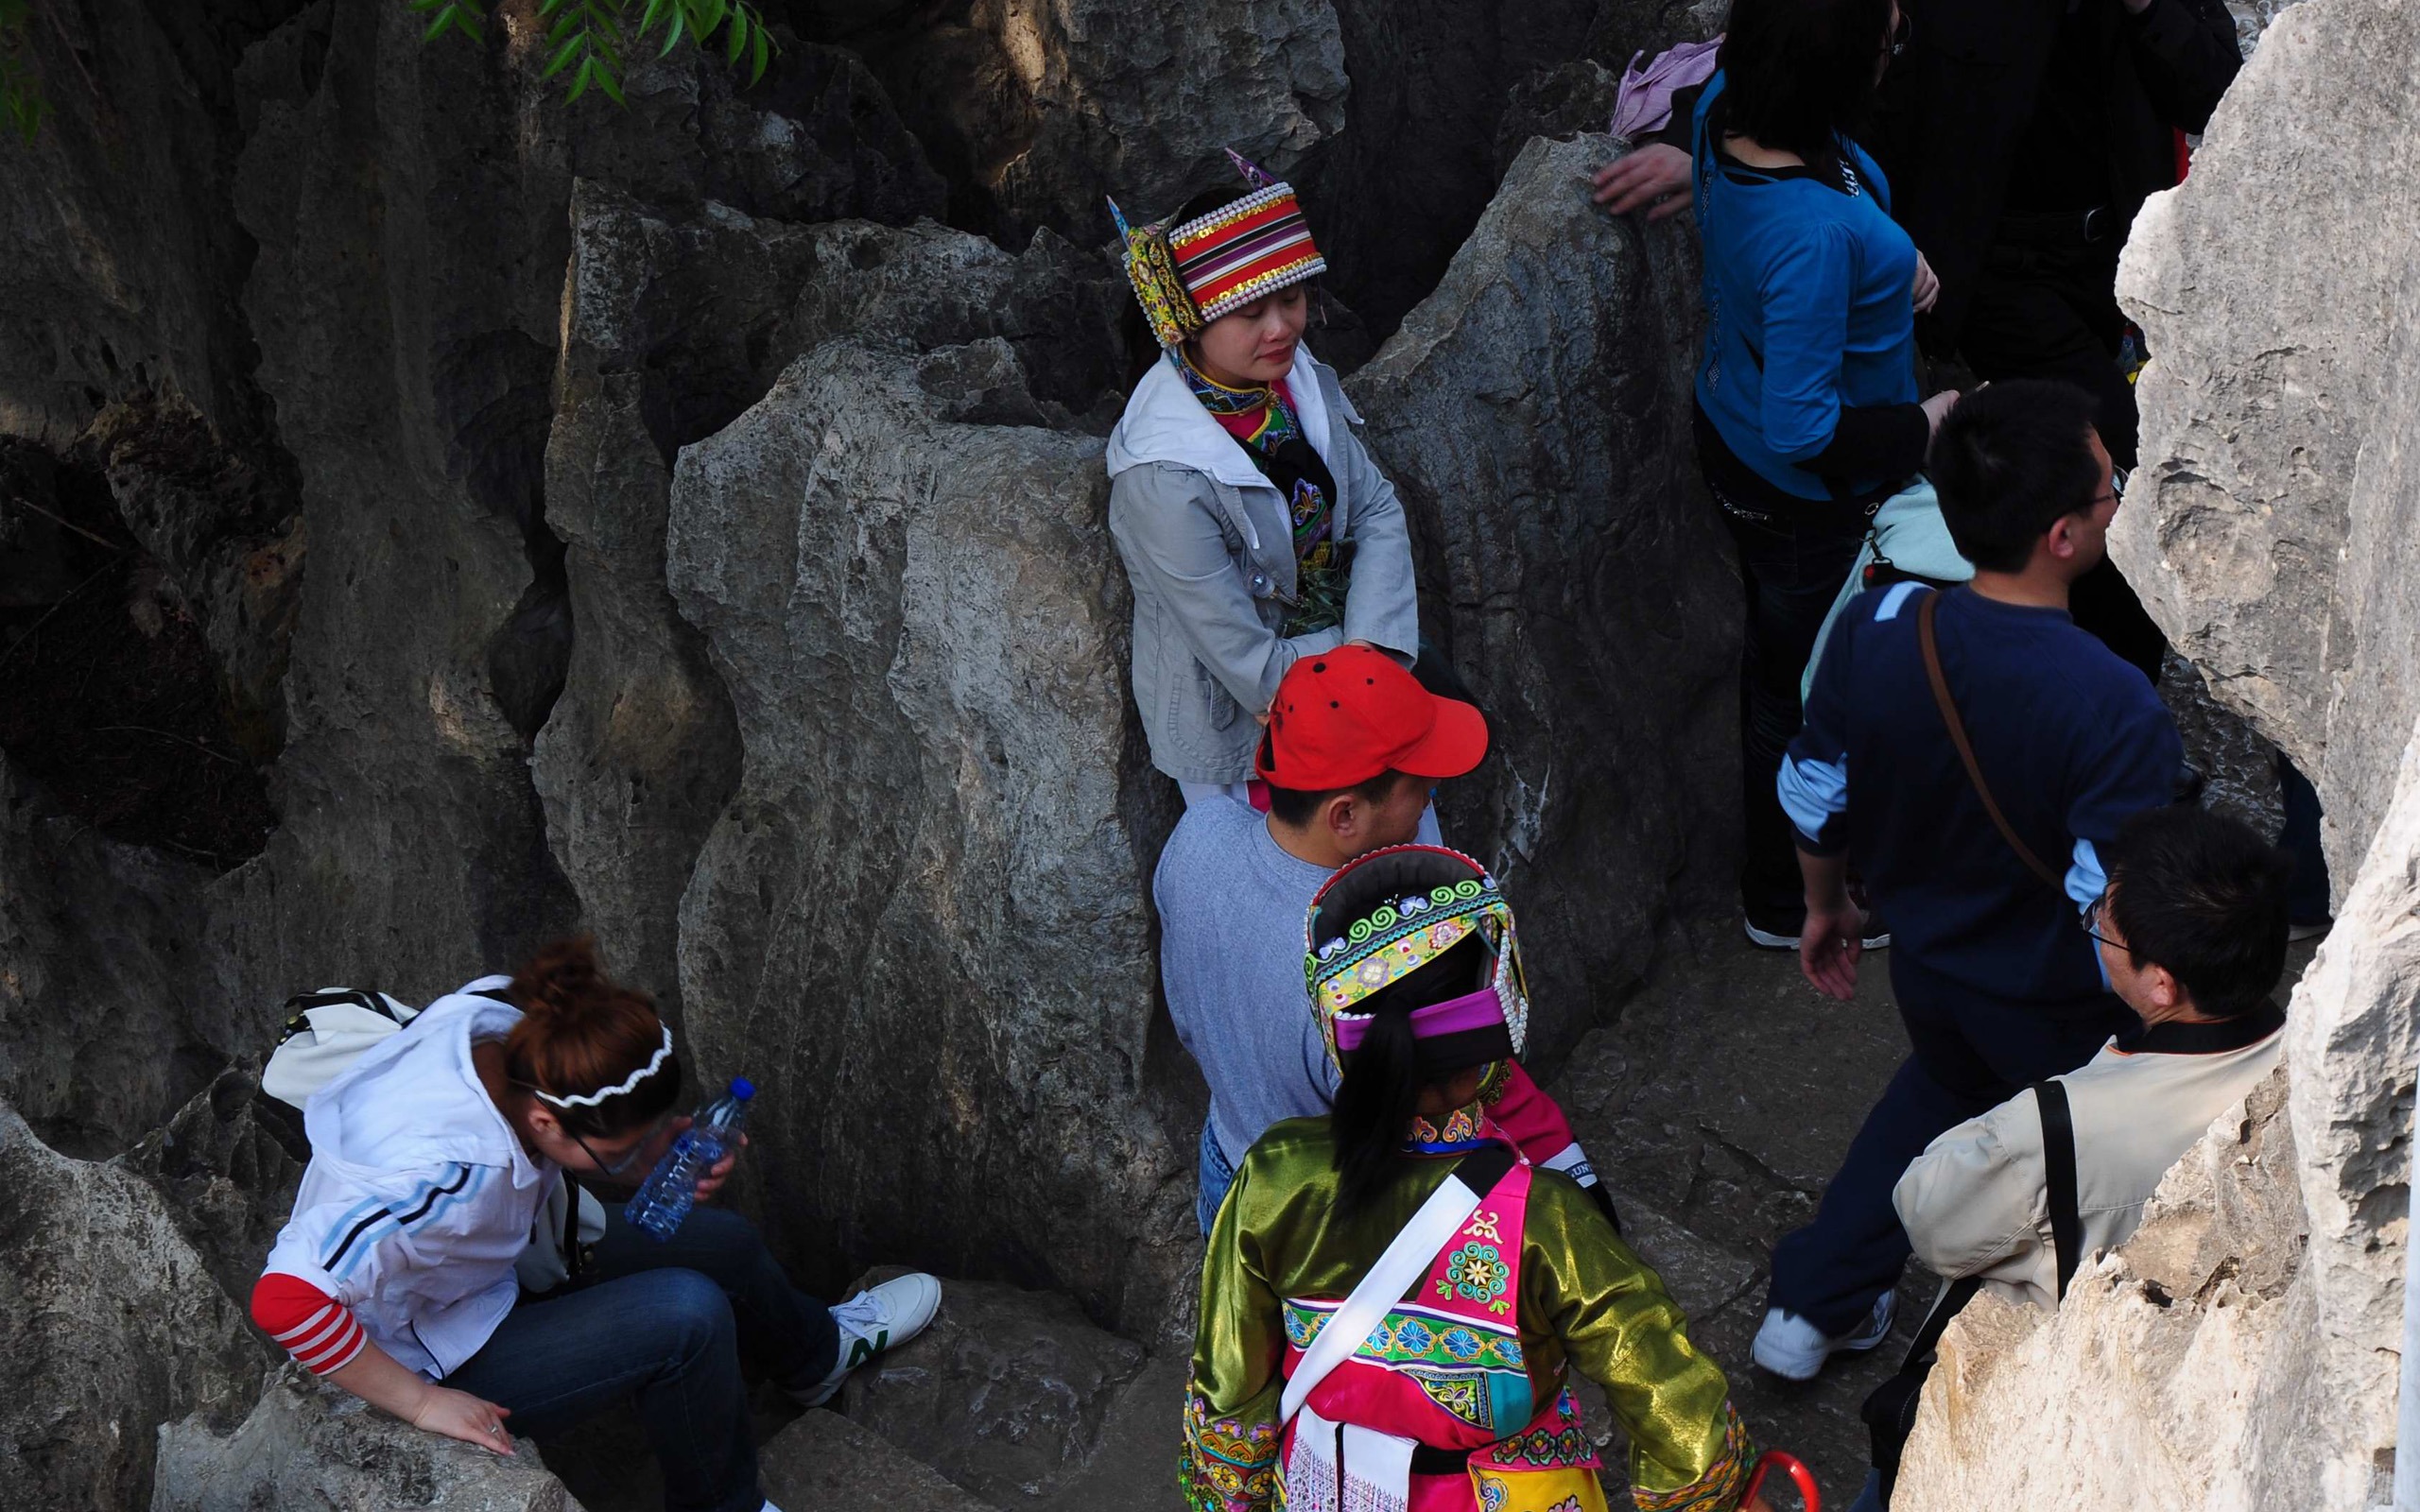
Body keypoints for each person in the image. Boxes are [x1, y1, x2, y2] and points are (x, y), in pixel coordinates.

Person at [1757, 379, 2184, 1380]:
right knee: (2066, 1160)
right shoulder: (2115, 704)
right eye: (2107, 487)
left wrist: (1825, 908)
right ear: (2066, 537)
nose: (2114, 495)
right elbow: (2103, 898)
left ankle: (1808, 1307)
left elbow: (1812, 793)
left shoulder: (1882, 623)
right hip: (2057, 1000)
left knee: (1934, 1097)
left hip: (1932, 965)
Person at [249, 939, 941, 1512]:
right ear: (548, 1123)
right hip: (430, 1345)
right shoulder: (439, 1173)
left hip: (498, 1255)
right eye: (618, 1149)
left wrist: (643, 1159)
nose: (637, 1156)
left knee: (724, 1244)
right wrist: (425, 1404)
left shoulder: (512, 1022)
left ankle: (814, 1358)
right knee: (688, 1317)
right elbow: (286, 1299)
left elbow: (572, 1138)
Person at [1180, 845, 1772, 1512]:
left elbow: (1229, 1384)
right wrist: (1721, 1490)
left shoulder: (1275, 1176)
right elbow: (1660, 1383)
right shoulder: (1543, 1218)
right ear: (1497, 1017)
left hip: (1325, 1486)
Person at [1840, 805, 2290, 1510]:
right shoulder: (2302, 1061)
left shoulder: (2054, 1128)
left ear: (2162, 984)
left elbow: (1930, 1219)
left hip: (2044, 1391)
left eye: (2102, 930)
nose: (2095, 937)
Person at [1668, 0, 1957, 949]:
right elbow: (1805, 431)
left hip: (1730, 420)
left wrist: (1893, 248)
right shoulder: (1809, 240)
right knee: (1802, 689)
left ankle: (1795, 874)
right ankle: (1788, 897)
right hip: (1800, 494)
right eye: (1885, 40)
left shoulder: (1722, 107)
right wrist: (1921, 425)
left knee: (1781, 673)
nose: (1893, 47)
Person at [1159, 645, 1613, 1234]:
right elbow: (1433, 1131)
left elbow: (1193, 1027)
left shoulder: (1198, 834)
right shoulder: (1375, 968)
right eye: (1420, 785)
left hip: (1228, 1163)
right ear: (1345, 816)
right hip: (1333, 1221)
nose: (1431, 798)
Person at [1866, 0, 2240, 681]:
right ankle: (2107, 711)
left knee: (2086, 481)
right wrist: (1720, 140)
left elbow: (2215, 87)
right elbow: (1846, 66)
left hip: (2127, 261)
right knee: (2112, 469)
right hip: (1998, 272)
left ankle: (2098, 709)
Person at [1106, 151, 1419, 810]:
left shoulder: (1295, 384)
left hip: (1361, 676)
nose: (1281, 329)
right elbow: (1241, 656)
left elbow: (1377, 509)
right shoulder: (1162, 475)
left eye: (1291, 298)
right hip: (1241, 735)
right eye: (1249, 313)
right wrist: (1366, 656)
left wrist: (1373, 649)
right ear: (1186, 319)